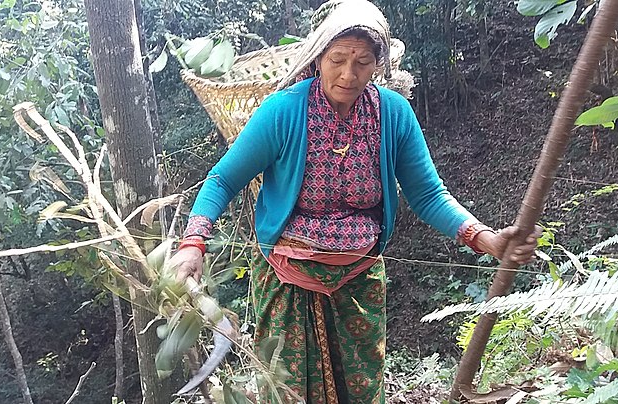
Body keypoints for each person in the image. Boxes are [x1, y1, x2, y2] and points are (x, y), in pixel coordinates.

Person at [170, 0, 541, 402]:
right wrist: (194, 243)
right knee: (290, 392)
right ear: (318, 59)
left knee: (361, 391)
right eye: (338, 59)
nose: (348, 74)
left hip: (358, 281)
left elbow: (428, 193)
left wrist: (485, 239)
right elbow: (223, 179)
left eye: (363, 62)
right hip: (287, 282)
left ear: (377, 65)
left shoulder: (393, 115)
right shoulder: (283, 112)